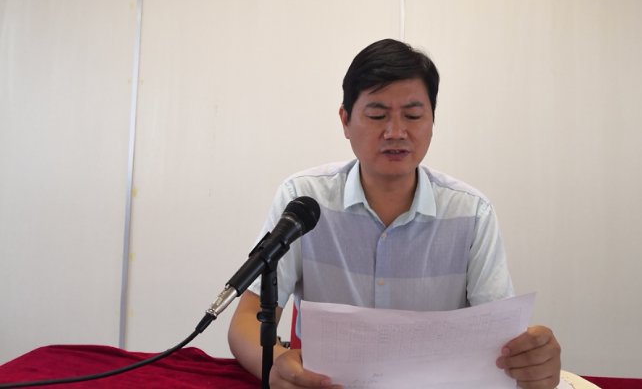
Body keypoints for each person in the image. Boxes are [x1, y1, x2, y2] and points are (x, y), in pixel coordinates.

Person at [228, 38, 561, 389]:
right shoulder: (304, 200)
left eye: (413, 116)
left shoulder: (472, 214)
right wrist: (277, 367)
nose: (396, 132)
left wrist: (532, 361)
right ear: (345, 120)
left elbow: (500, 339)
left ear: (432, 120)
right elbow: (247, 319)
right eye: (377, 115)